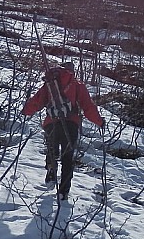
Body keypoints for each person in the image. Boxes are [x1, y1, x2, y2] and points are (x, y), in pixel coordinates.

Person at [21, 61, 104, 196]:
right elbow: (88, 107)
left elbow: (37, 101)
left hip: (51, 123)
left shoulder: (49, 84)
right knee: (67, 158)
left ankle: (51, 168)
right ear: (72, 71)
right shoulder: (77, 85)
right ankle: (63, 192)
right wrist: (99, 122)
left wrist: (25, 111)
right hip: (70, 124)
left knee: (52, 150)